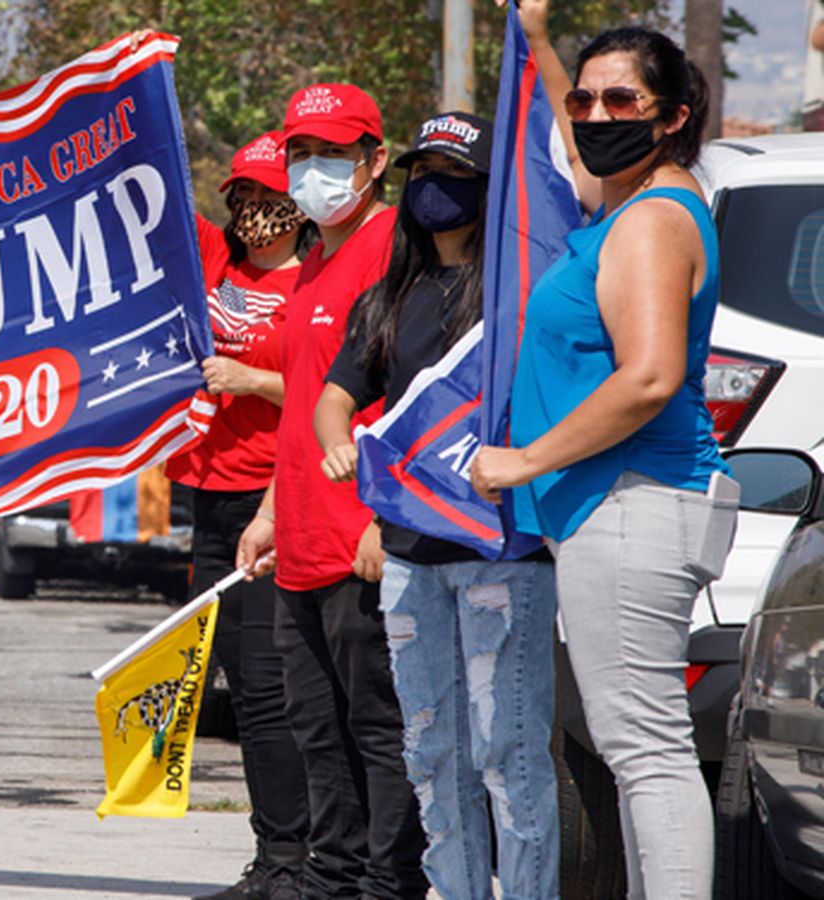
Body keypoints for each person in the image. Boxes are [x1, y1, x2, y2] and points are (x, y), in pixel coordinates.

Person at [471, 6, 734, 897]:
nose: (594, 114)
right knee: (636, 748)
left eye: (623, 101)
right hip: (621, 506)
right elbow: (575, 142)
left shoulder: (653, 220)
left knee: (645, 748)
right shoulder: (623, 202)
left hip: (632, 500)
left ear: (673, 116)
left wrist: (524, 460)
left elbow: (650, 377)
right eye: (584, 100)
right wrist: (543, 42)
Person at [314, 111, 560, 900]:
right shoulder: (393, 295)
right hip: (410, 563)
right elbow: (337, 396)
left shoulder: (520, 296)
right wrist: (338, 443)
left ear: (487, 188)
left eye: (452, 173)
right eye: (422, 172)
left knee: (509, 755)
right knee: (432, 756)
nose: (433, 188)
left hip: (501, 557)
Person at [236, 83, 428, 900]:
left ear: (375, 160)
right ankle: (332, 879)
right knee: (316, 728)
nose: (313, 170)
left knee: (379, 728)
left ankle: (389, 885)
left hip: (363, 541)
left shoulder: (394, 248)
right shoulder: (313, 258)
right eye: (301, 154)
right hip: (301, 538)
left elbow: (415, 398)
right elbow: (309, 395)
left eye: (333, 154)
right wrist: (271, 511)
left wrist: (388, 518)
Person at [167, 131, 312, 900]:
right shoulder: (216, 263)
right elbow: (150, 192)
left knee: (268, 684)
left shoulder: (314, 283)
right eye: (242, 196)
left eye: (267, 193)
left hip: (274, 499)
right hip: (209, 500)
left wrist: (253, 378)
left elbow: (331, 390)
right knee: (238, 684)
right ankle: (273, 857)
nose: (254, 208)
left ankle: (293, 862)